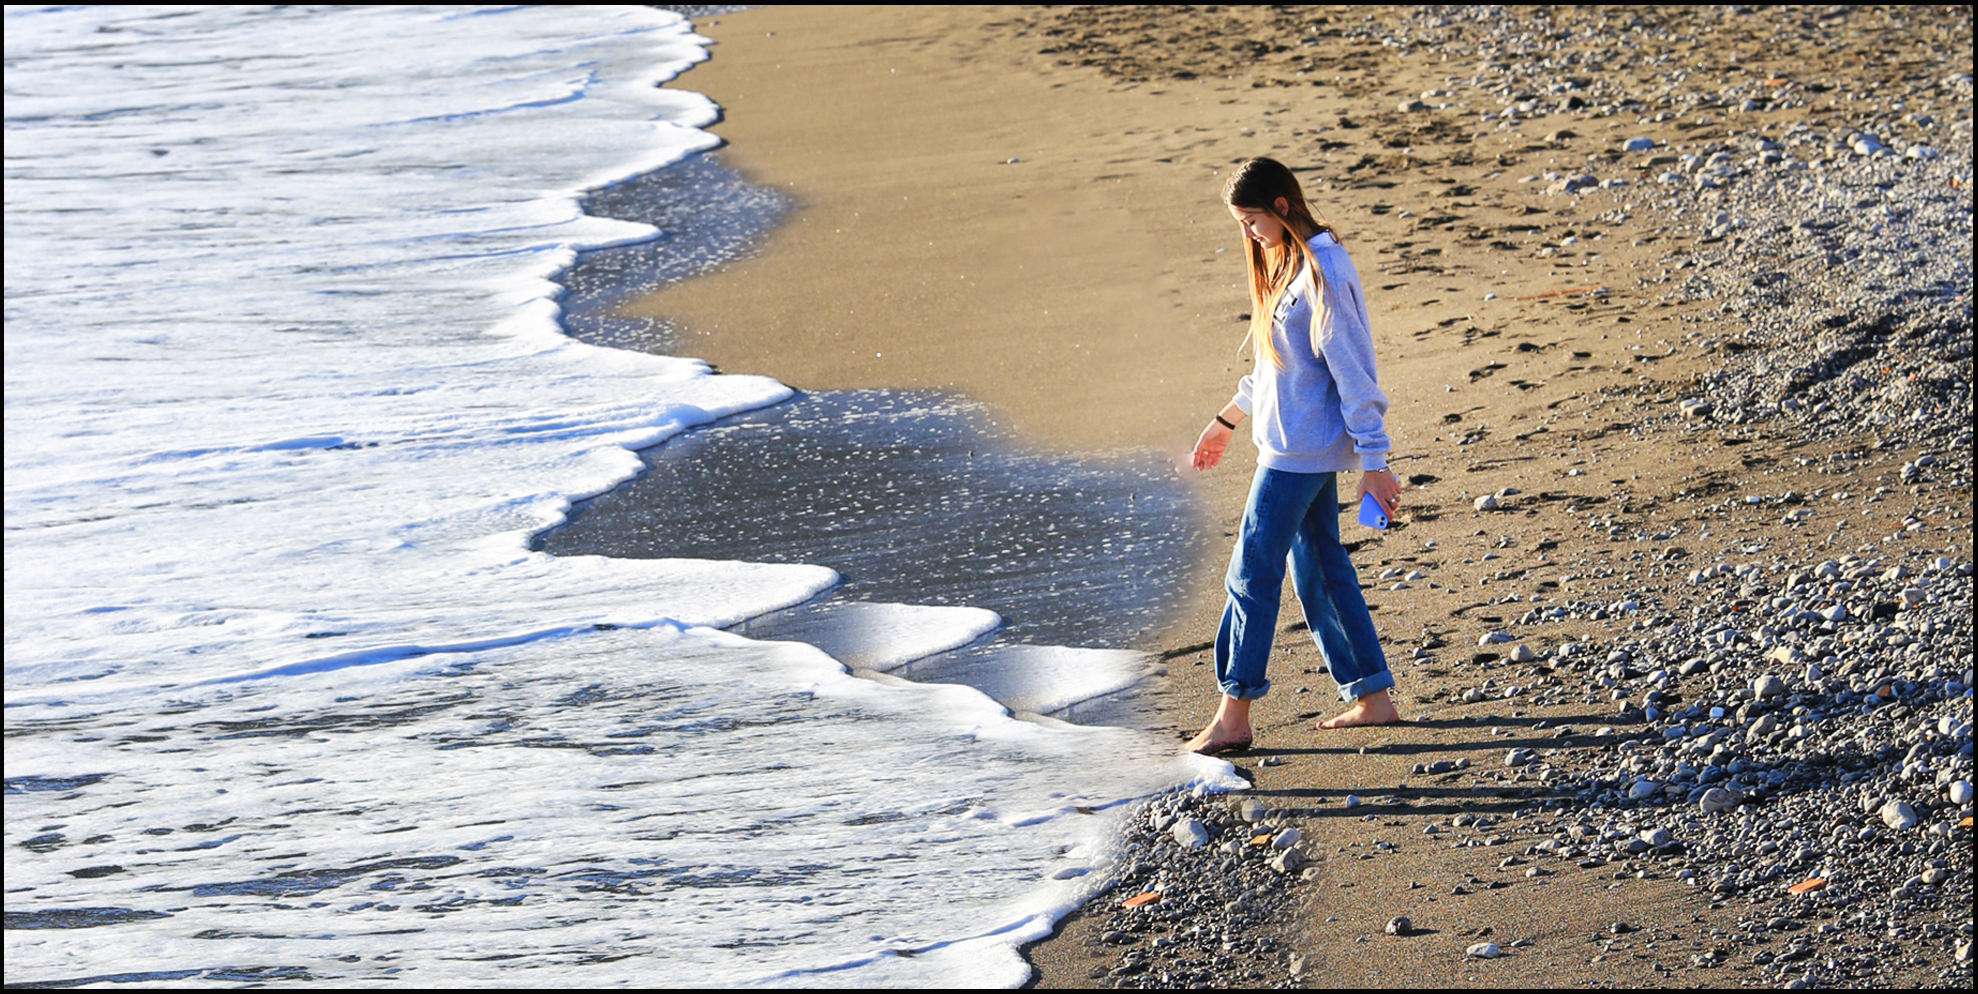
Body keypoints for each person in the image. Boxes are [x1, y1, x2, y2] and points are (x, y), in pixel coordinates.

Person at [1184, 156, 1402, 756]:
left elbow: (1354, 373)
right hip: (1292, 446)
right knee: (1319, 571)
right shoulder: (1291, 263)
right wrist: (1227, 419)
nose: (1248, 232)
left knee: (1250, 574)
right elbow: (1278, 367)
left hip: (1294, 456)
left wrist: (1375, 460)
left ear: (1282, 205)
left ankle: (1234, 714)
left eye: (1252, 219)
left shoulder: (1323, 270)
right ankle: (1372, 698)